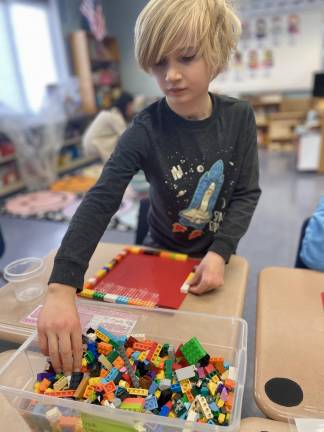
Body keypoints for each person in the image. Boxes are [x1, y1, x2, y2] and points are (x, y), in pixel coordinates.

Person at [38, 0, 261, 374]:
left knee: (210, 353)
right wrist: (61, 287)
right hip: (160, 255)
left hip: (216, 258)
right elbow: (101, 198)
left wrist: (221, 252)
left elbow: (245, 194)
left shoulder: (239, 118)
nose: (171, 74)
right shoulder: (145, 129)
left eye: (186, 57)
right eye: (159, 63)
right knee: (163, 357)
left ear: (217, 56)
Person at [82, 92, 136, 162]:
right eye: (131, 105)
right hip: (93, 146)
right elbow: (127, 139)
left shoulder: (111, 112)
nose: (132, 108)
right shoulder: (115, 116)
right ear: (125, 105)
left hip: (88, 144)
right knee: (121, 143)